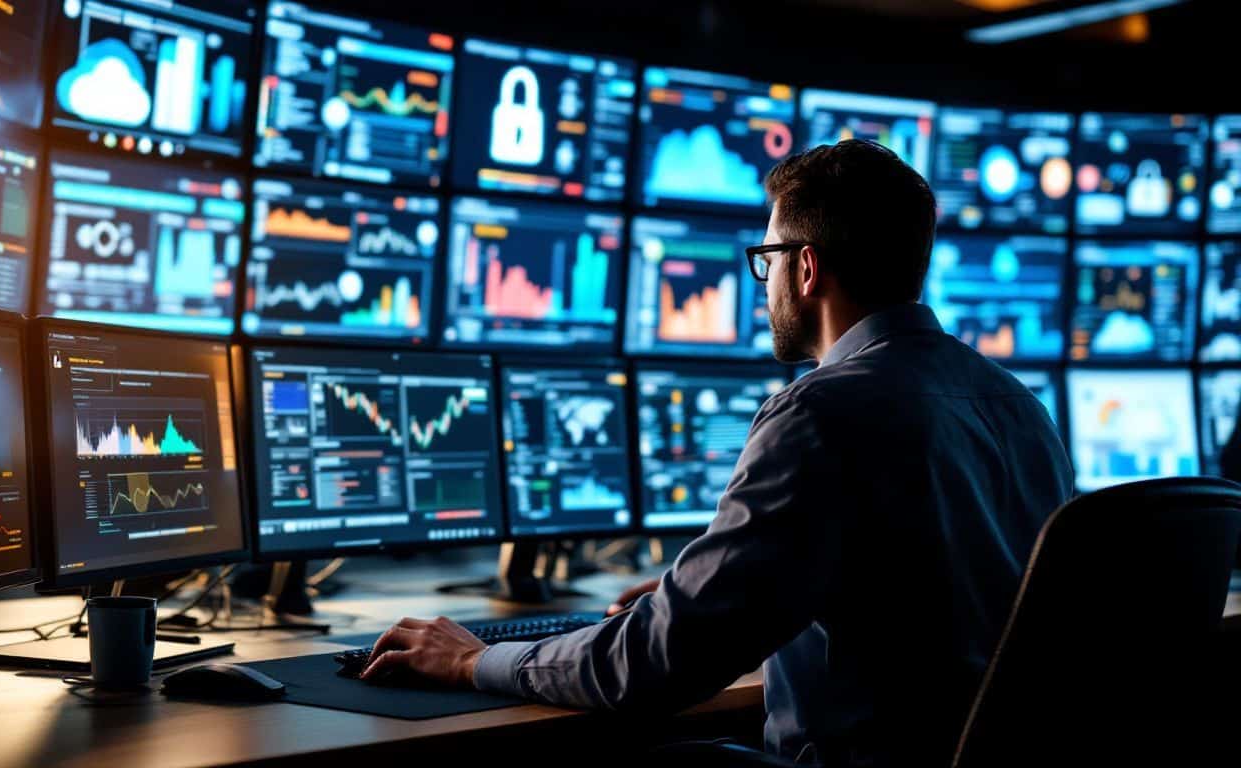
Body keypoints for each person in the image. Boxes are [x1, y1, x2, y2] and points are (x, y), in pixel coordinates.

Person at [361, 139, 1075, 767]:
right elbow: (924, 616)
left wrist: (477, 659)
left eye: (766, 261)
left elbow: (653, 667)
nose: (761, 286)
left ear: (805, 269)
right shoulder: (1019, 408)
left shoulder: (820, 410)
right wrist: (709, 593)